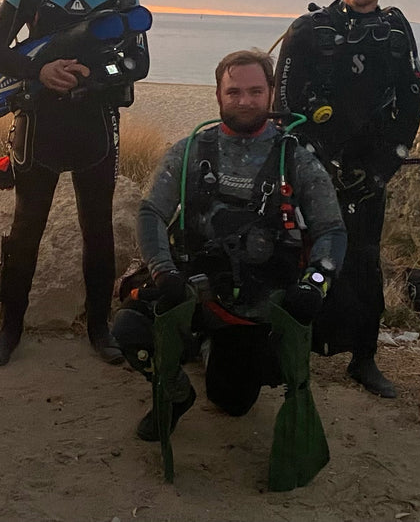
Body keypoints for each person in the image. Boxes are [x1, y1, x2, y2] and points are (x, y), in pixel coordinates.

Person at [113, 50, 346, 436]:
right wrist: (162, 271)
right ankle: (173, 392)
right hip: (191, 289)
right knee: (129, 325)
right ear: (218, 95)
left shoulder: (297, 160)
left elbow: (331, 230)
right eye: (234, 91)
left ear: (271, 93)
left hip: (253, 306)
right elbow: (151, 211)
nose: (244, 101)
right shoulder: (189, 151)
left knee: (232, 402)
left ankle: (209, 349)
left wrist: (315, 285)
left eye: (255, 91)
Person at [0, 0, 146, 367]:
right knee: (26, 228)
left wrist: (96, 79)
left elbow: (140, 59)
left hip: (94, 123)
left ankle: (99, 329)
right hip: (40, 125)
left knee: (98, 231)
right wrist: (39, 72)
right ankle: (10, 329)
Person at [272, 0, 420, 398]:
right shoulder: (309, 30)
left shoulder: (397, 34)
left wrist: (380, 169)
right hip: (312, 167)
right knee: (298, 257)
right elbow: (283, 105)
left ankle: (364, 356)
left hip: (367, 172)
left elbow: (411, 105)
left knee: (362, 262)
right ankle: (292, 346)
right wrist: (311, 165)